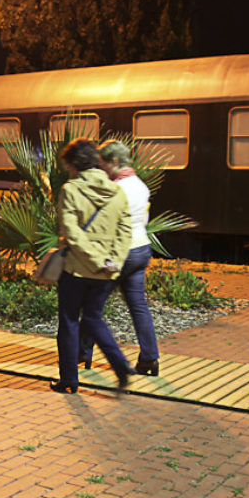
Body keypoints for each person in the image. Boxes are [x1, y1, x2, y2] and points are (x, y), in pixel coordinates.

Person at [51, 138, 134, 394]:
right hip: (106, 272)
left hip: (76, 270)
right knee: (93, 318)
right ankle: (120, 365)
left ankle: (69, 380)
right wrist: (112, 262)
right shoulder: (117, 191)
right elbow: (125, 231)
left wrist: (96, 260)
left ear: (74, 164)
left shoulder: (71, 190)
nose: (67, 169)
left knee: (69, 322)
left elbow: (72, 233)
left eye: (67, 165)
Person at [78, 140, 160, 375]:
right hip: (141, 248)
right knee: (138, 306)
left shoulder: (114, 189)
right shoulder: (141, 186)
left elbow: (104, 225)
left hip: (119, 252)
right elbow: (143, 220)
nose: (101, 168)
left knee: (92, 306)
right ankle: (150, 358)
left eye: (103, 163)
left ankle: (82, 354)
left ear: (114, 162)